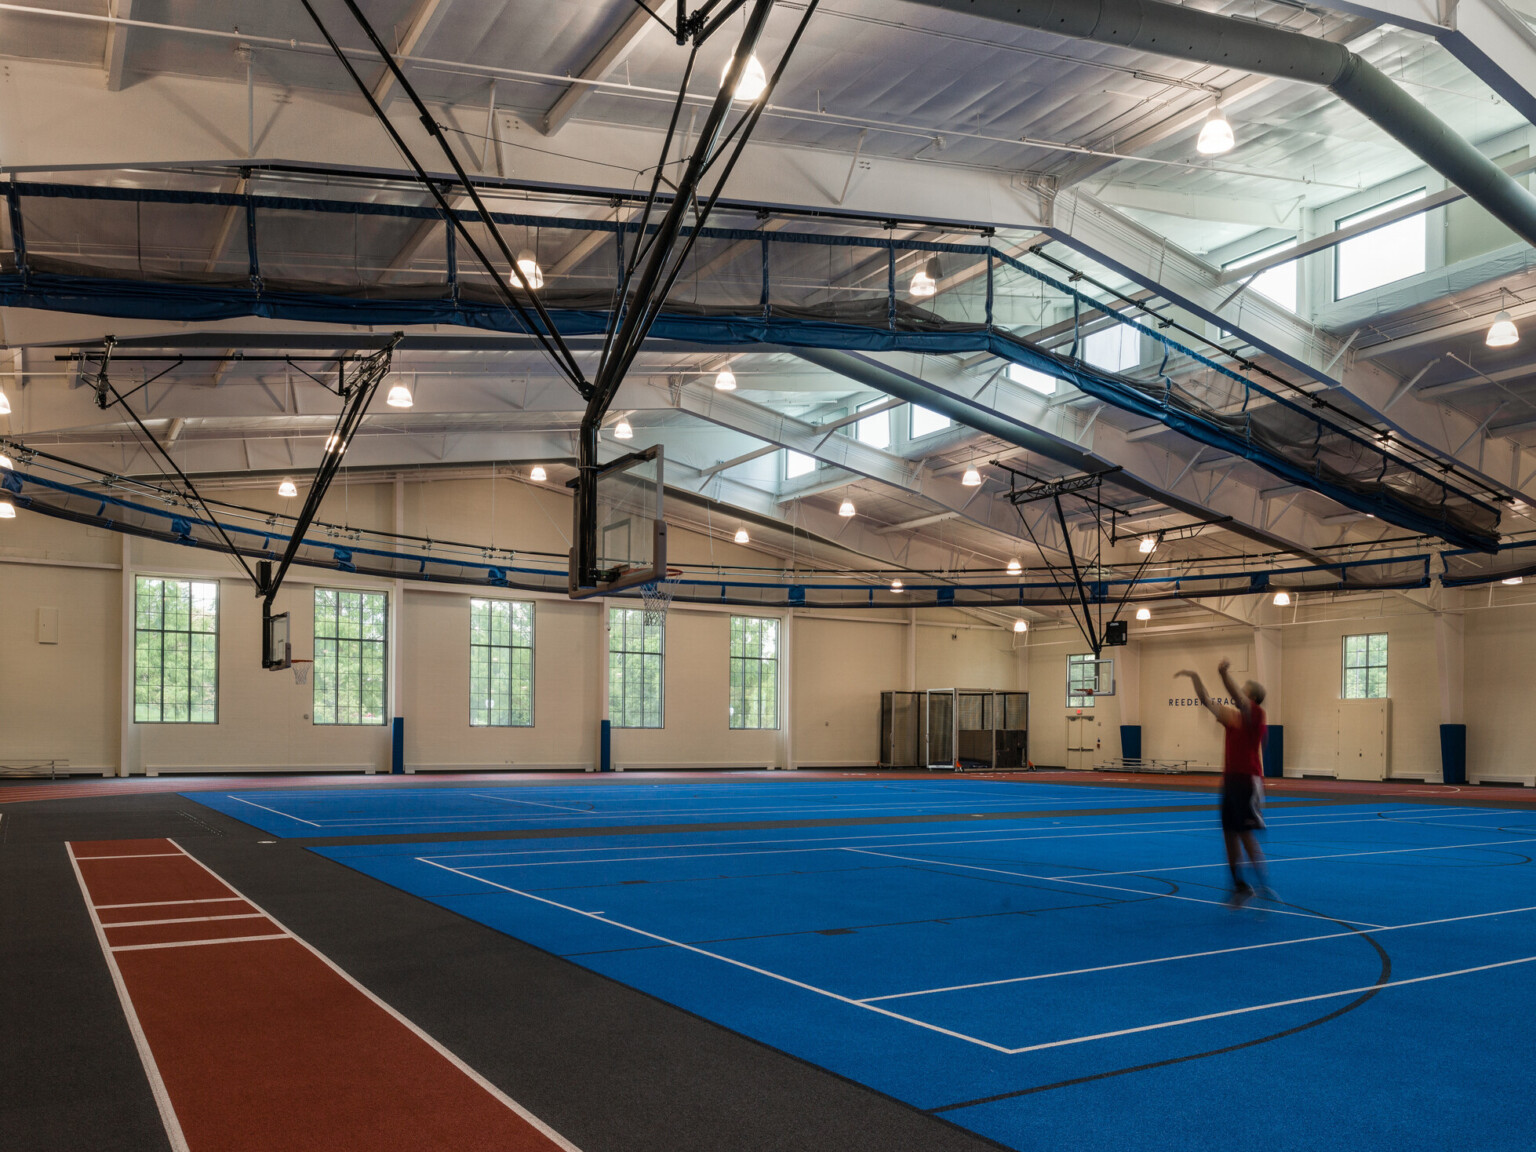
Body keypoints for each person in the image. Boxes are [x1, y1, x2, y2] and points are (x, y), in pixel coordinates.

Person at [1175, 659, 1273, 908]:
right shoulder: (1232, 718)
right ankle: (1239, 885)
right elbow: (1206, 701)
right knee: (1229, 834)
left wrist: (1223, 673)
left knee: (1245, 833)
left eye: (1245, 688)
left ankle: (1263, 885)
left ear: (1252, 696)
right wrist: (1195, 676)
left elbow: (1236, 696)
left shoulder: (1256, 716)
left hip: (1247, 781)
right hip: (1230, 781)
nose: (1241, 689)